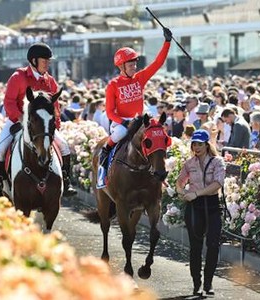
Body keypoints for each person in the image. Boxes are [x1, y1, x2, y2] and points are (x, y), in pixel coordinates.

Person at [0, 42, 77, 197]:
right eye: (45, 61)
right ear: (34, 61)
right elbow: (9, 101)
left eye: (49, 61)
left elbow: (54, 105)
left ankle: (66, 179)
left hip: (42, 126)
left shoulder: (50, 80)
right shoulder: (18, 77)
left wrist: (55, 124)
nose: (48, 64)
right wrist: (20, 118)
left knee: (63, 146)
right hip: (17, 120)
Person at [99, 27, 172, 168]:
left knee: (157, 132)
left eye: (135, 64)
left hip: (139, 120)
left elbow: (158, 63)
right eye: (131, 65)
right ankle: (104, 152)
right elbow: (109, 112)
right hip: (122, 123)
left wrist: (167, 42)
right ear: (121, 66)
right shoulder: (113, 85)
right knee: (120, 133)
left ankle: (160, 164)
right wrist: (124, 123)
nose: (134, 67)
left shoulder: (140, 78)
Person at [175, 129, 225, 297]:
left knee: (212, 245)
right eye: (194, 144)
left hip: (211, 205)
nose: (196, 147)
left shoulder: (218, 162)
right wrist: (182, 193)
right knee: (195, 247)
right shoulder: (189, 164)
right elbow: (179, 182)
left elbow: (218, 183)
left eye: (200, 144)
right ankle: (196, 284)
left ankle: (208, 283)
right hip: (195, 208)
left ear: (207, 145)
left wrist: (197, 193)